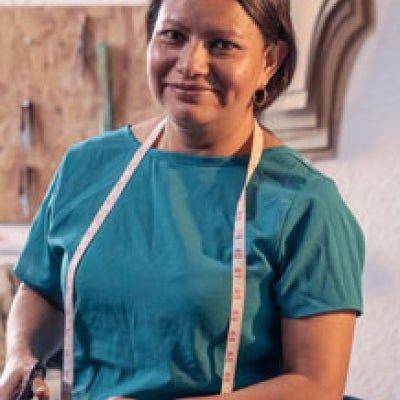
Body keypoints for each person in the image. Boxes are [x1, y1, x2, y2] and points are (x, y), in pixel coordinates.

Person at [0, 0, 364, 399]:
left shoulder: (304, 203)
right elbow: (44, 292)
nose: (190, 64)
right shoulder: (86, 166)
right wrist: (21, 354)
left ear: (269, 62)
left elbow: (318, 385)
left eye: (222, 44)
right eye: (173, 36)